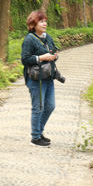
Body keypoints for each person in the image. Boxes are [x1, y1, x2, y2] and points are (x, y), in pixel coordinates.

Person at [21, 9, 61, 146]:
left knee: (50, 106)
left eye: (45, 21)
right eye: (41, 21)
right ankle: (35, 136)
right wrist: (41, 57)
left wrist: (54, 55)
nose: (44, 24)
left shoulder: (47, 37)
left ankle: (39, 131)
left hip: (48, 75)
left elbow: (54, 49)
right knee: (38, 107)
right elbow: (25, 59)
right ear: (33, 24)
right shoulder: (29, 39)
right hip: (35, 78)